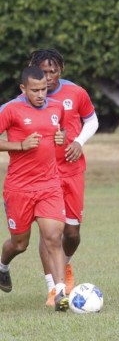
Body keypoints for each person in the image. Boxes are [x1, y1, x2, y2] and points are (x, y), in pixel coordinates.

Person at [28, 49, 99, 306]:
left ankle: (65, 266)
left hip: (72, 172)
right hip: (44, 175)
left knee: (72, 233)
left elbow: (92, 121)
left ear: (62, 70)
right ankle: (53, 288)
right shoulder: (26, 98)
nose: (48, 78)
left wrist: (79, 141)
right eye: (43, 72)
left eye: (53, 71)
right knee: (50, 234)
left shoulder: (76, 93)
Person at [0, 66, 70, 311]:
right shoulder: (11, 110)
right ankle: (2, 266)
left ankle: (60, 291)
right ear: (23, 89)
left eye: (44, 89)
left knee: (53, 237)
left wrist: (61, 137)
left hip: (49, 185)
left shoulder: (56, 107)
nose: (41, 95)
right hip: (19, 188)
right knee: (19, 244)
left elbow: (59, 130)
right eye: (35, 90)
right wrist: (19, 145)